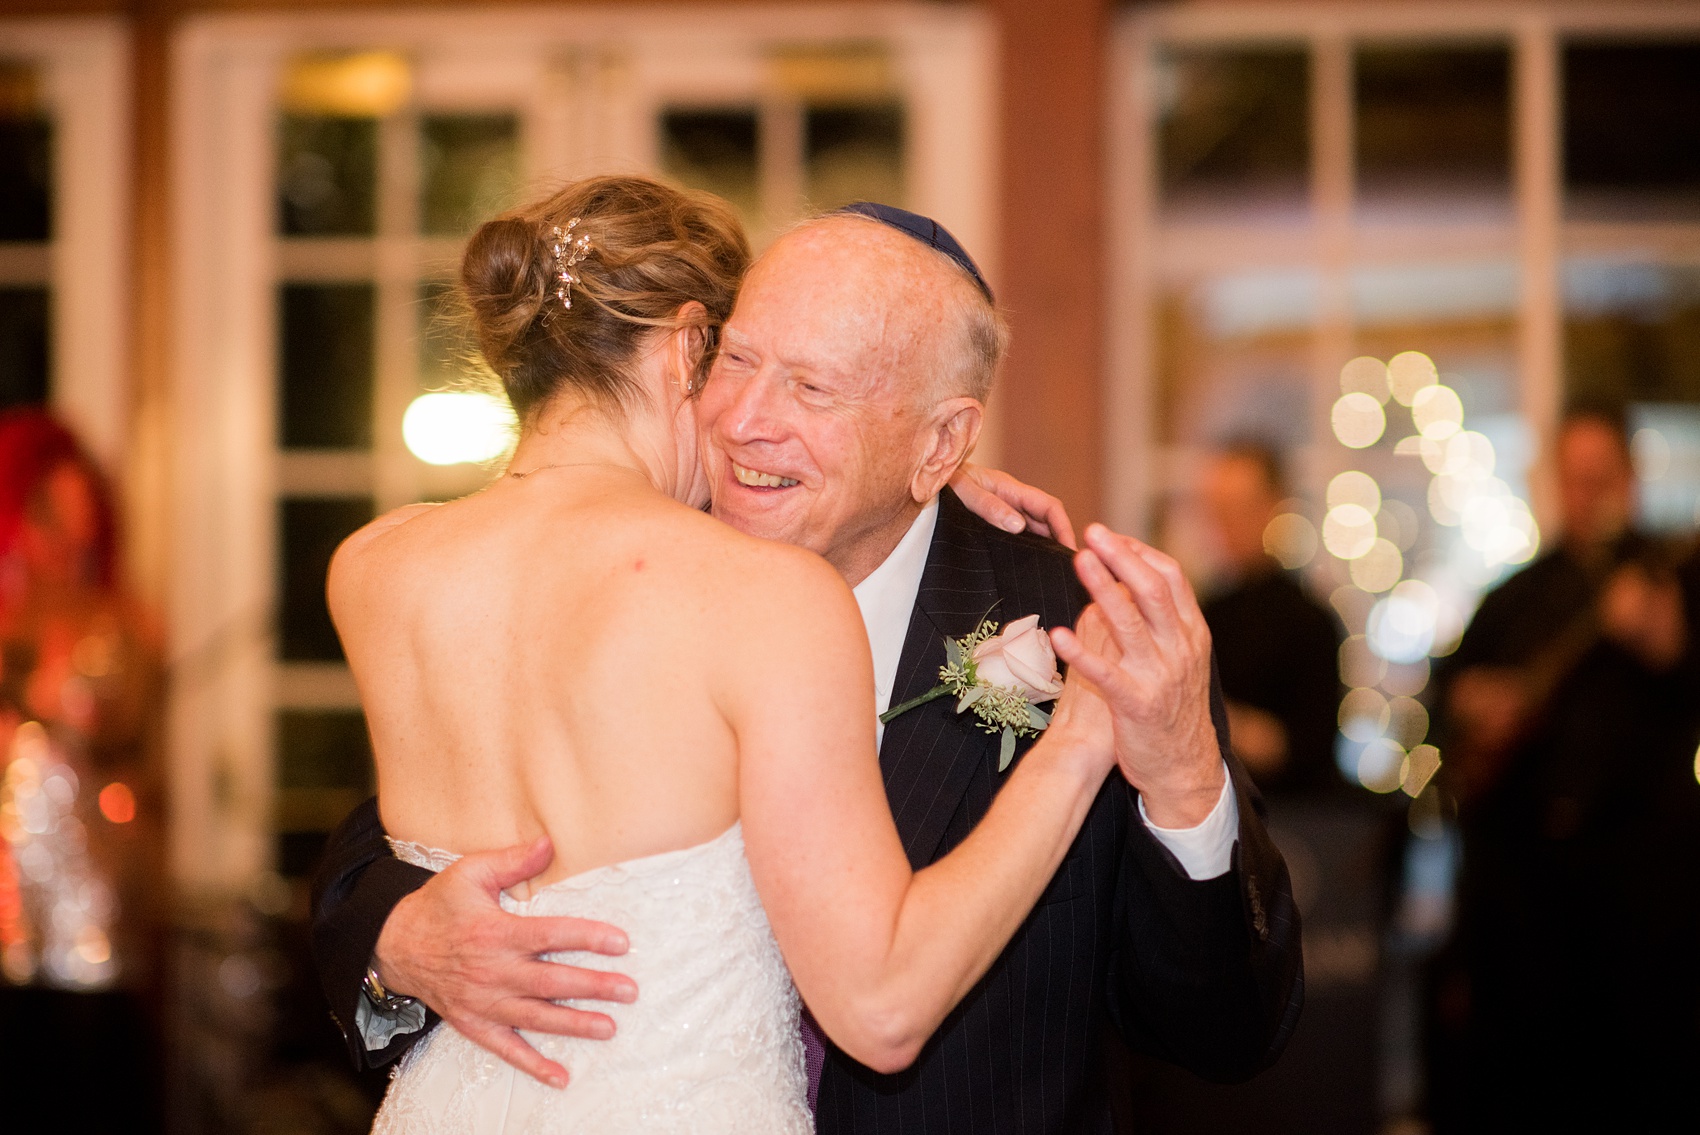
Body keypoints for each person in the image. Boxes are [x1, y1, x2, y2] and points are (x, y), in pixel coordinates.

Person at [313, 184, 1303, 1134]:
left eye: (810, 388)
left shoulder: (1090, 631)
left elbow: (1225, 1032)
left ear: (939, 443)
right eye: (734, 360)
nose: (745, 418)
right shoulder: (627, 563)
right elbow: (390, 842)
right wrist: (393, 942)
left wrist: (1180, 782)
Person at [1428, 405, 1700, 1131]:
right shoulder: (1516, 596)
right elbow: (1446, 699)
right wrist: (1473, 701)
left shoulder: (1675, 575)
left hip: (1648, 893)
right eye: (1573, 480)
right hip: (1531, 899)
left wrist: (1668, 639)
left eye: (1601, 479)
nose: (1588, 495)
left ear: (1632, 479)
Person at [0, 409, 165, 1133]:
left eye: (78, 516)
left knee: (81, 1079)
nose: (64, 539)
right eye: (44, 514)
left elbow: (118, 730)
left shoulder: (116, 626)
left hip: (87, 902)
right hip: (6, 902)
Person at [1196, 443, 1343, 796]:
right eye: (1218, 509)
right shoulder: (1205, 610)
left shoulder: (1310, 622)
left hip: (1287, 819)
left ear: (1271, 508)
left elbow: (1307, 748)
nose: (1225, 524)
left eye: (1238, 507)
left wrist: (1207, 713)